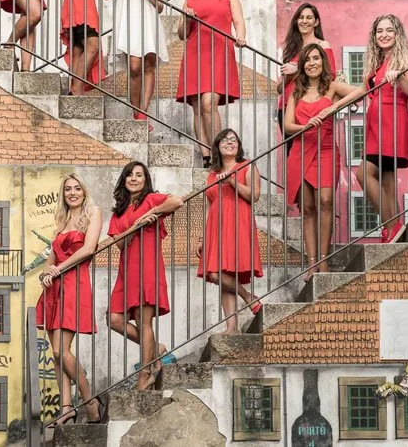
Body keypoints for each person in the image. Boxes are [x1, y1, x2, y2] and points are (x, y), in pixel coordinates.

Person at [329, 15, 408, 243]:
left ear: (397, 33)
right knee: (387, 180)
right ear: (374, 36)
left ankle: (392, 225)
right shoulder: (377, 62)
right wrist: (332, 108)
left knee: (363, 173)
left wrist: (399, 79)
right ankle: (394, 232)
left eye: (389, 30)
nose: (384, 35)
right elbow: (363, 90)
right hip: (374, 125)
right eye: (379, 31)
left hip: (393, 121)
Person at [104, 161, 182, 390]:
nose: (134, 179)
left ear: (145, 180)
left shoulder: (151, 199)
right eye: (130, 175)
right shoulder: (119, 211)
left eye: (139, 175)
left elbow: (177, 201)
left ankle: (145, 373)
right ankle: (155, 349)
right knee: (114, 319)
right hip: (126, 270)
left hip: (148, 266)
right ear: (124, 180)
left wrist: (152, 212)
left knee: (143, 320)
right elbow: (120, 244)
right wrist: (135, 225)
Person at [36, 175, 107, 424]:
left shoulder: (93, 213)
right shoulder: (62, 221)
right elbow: (51, 258)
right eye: (68, 189)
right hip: (55, 288)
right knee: (56, 356)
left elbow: (88, 249)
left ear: (84, 192)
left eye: (77, 188)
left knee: (60, 350)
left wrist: (59, 268)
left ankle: (89, 400)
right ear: (63, 194)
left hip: (75, 284)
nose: (73, 192)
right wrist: (47, 271)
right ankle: (66, 407)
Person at [283, 44, 358, 274]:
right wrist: (305, 125)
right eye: (308, 60)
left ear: (322, 62)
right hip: (301, 151)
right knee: (307, 208)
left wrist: (333, 107)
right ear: (303, 66)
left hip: (326, 150)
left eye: (316, 58)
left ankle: (324, 259)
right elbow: (287, 126)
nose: (312, 63)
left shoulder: (332, 86)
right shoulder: (295, 90)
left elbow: (361, 90)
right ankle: (312, 261)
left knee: (325, 201)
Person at [175, 0, 246, 167]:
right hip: (195, 53)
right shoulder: (190, 0)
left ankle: (220, 154)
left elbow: (239, 21)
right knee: (197, 107)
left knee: (209, 102)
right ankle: (206, 156)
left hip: (219, 53)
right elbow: (181, 33)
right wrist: (187, 18)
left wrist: (241, 35)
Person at [197, 129, 263, 334]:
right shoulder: (212, 175)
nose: (230, 142)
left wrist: (233, 181)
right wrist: (202, 237)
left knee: (221, 273)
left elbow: (254, 196)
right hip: (216, 227)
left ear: (239, 145)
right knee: (216, 273)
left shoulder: (247, 166)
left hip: (238, 222)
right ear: (217, 146)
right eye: (225, 140)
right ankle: (232, 325)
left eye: (234, 140)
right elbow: (208, 207)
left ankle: (246, 298)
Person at [106, 0, 169, 125]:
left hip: (149, 22)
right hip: (129, 23)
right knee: (134, 67)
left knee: (149, 66)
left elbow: (160, 7)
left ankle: (143, 112)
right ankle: (136, 112)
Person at [277, 3, 336, 150]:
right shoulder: (291, 48)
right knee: (291, 153)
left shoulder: (322, 45)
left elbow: (330, 75)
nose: (304, 21)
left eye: (309, 17)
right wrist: (288, 76)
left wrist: (297, 68)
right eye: (301, 17)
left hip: (309, 105)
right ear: (296, 21)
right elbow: (279, 89)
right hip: (286, 105)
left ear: (316, 22)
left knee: (310, 149)